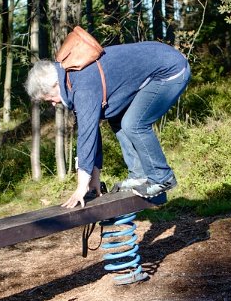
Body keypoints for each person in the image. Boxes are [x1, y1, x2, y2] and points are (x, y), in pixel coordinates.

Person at [25, 40, 190, 209]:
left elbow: (86, 138)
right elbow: (91, 132)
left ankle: (162, 178)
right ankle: (139, 175)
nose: (53, 104)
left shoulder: (82, 88)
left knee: (134, 124)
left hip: (170, 70)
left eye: (50, 98)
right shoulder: (71, 79)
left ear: (55, 84)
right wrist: (94, 179)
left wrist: (81, 187)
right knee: (118, 119)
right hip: (161, 63)